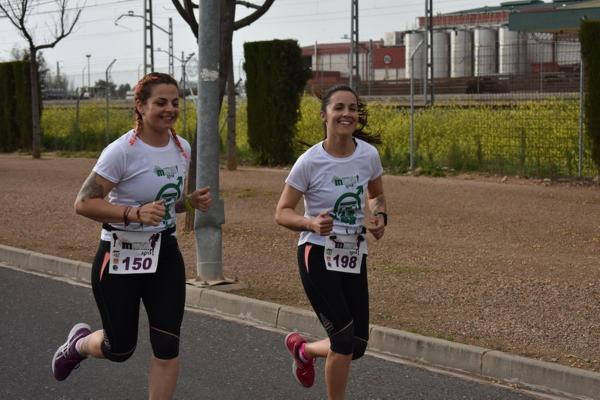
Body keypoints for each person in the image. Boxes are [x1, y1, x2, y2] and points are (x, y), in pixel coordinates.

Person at [51, 72, 212, 400]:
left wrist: (188, 203)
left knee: (167, 345)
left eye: (175, 103)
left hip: (164, 252)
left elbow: (164, 205)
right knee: (119, 348)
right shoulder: (121, 151)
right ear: (140, 106)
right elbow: (83, 203)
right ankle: (78, 346)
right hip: (119, 254)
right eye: (160, 103)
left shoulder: (182, 148)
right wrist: (132, 213)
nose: (170, 109)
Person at [275, 84, 387, 400]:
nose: (347, 114)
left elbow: (376, 194)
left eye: (352, 108)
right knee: (342, 340)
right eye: (339, 108)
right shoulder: (310, 162)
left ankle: (304, 350)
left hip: (353, 251)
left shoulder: (368, 155)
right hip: (317, 252)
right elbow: (281, 213)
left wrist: (380, 218)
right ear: (324, 115)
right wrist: (310, 222)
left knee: (358, 344)